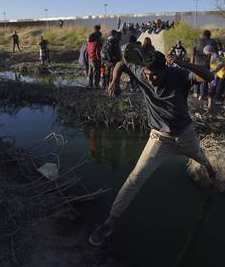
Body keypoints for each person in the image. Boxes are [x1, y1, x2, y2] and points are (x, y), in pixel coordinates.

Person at [89, 50, 216, 246]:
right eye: (147, 75)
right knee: (134, 178)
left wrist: (182, 63)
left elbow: (210, 76)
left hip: (185, 135)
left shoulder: (179, 75)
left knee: (198, 156)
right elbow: (120, 64)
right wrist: (114, 81)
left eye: (155, 75)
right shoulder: (142, 74)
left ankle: (208, 167)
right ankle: (110, 221)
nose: (150, 79)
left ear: (165, 69)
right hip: (159, 139)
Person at [192, 30, 216, 100]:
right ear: (209, 35)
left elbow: (193, 52)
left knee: (196, 77)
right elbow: (215, 52)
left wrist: (192, 63)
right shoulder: (212, 41)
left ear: (203, 34)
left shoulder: (197, 41)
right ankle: (202, 94)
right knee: (204, 78)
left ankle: (196, 93)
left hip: (197, 62)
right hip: (206, 63)